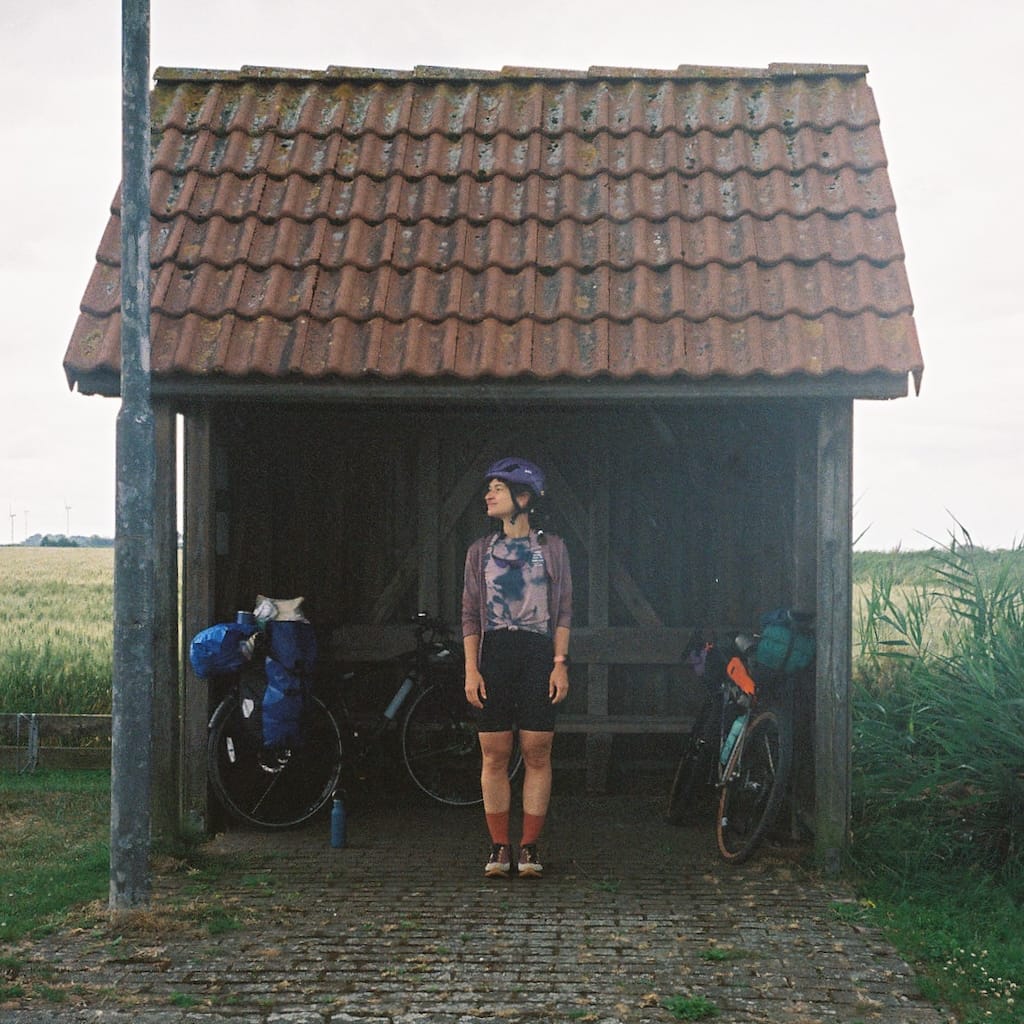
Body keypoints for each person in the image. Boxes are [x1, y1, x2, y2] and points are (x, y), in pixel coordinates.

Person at [462, 457, 572, 879]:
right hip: (495, 654)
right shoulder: (479, 552)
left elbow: (563, 612)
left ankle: (528, 847)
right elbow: (470, 615)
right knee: (494, 754)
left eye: (499, 488)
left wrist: (559, 665)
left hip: (538, 653)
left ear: (523, 498)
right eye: (489, 487)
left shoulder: (553, 549)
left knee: (537, 751)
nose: (489, 495)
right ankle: (498, 847)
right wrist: (471, 669)